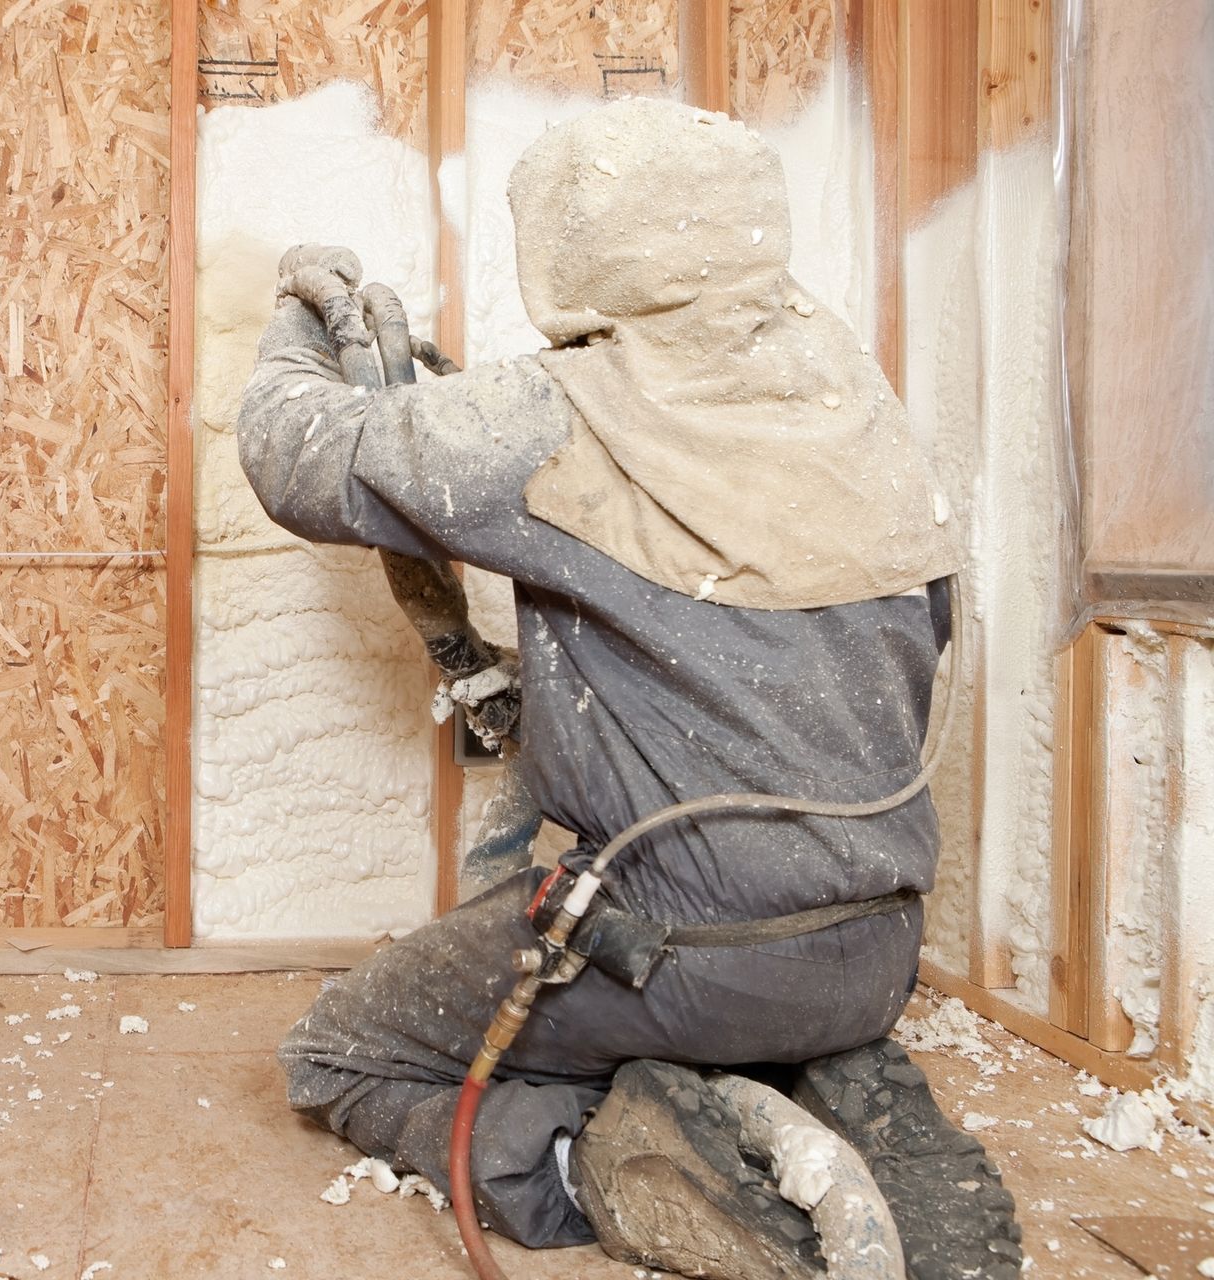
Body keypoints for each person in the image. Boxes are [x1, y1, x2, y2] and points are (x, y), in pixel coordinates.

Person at [237, 98, 1021, 1278]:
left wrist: (298, 322)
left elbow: (296, 454)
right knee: (601, 906)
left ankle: (592, 1168)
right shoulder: (855, 400)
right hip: (874, 950)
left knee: (342, 1054)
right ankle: (823, 1081)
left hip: (691, 954)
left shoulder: (564, 417)